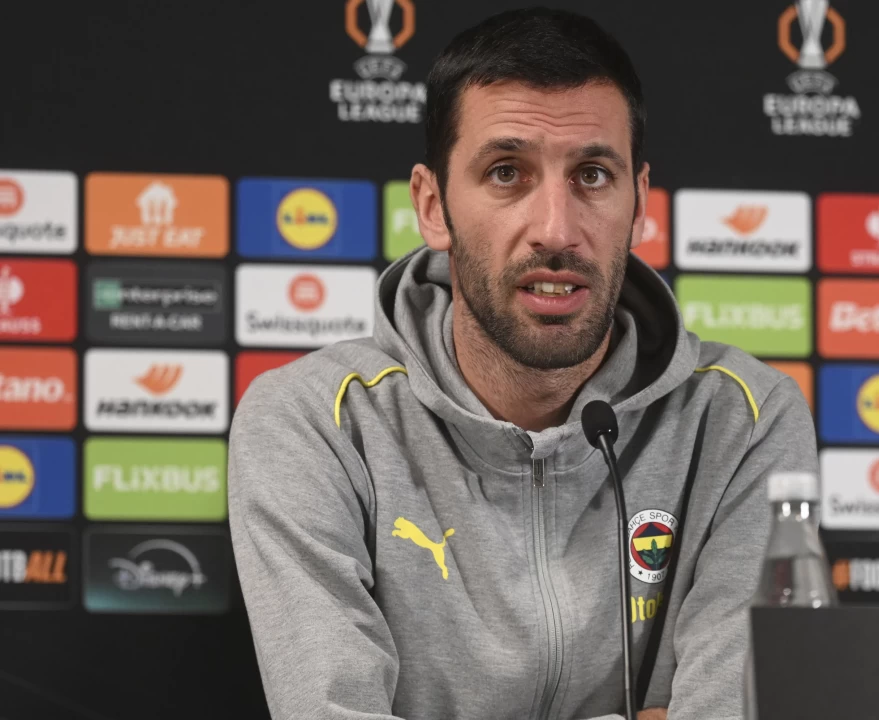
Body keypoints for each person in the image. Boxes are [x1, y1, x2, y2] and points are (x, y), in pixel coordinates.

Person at [228, 7, 817, 720]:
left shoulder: (743, 420)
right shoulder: (315, 422)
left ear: (638, 205)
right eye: (507, 173)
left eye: (592, 175)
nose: (557, 230)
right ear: (433, 205)